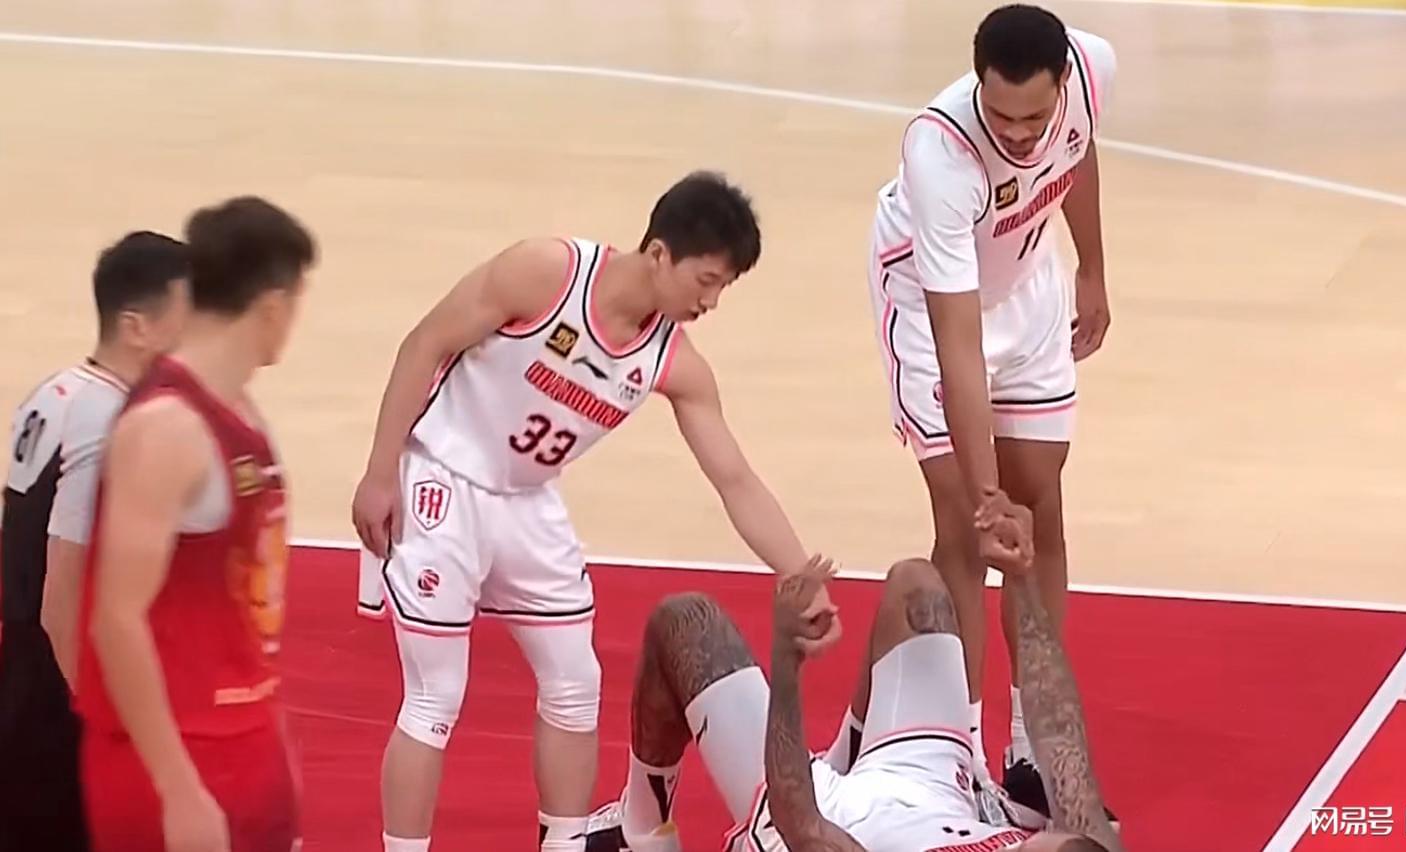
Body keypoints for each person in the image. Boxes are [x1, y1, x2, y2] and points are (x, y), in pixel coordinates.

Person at [350, 170, 839, 852]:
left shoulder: (674, 362)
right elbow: (425, 343)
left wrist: (799, 574)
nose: (711, 301)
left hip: (528, 500)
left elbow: (735, 479)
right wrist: (380, 471)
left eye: (724, 287)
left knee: (576, 685)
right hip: (444, 477)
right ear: (660, 253)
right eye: (707, 280)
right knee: (437, 696)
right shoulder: (545, 274)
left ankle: (565, 845)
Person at [862, 2, 1119, 814]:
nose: (1017, 134)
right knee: (966, 527)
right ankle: (961, 762)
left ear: (1063, 81)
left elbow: (1078, 150)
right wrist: (983, 494)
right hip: (932, 306)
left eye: (1033, 117)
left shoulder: (1093, 68)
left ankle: (1033, 747)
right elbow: (959, 348)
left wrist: (1092, 269)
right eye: (1000, 116)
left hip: (1028, 279)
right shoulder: (940, 155)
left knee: (1040, 509)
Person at [595, 490, 1122, 851]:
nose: (1035, 838)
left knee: (686, 622)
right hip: (935, 791)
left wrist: (787, 660)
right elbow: (1061, 737)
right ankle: (854, 754)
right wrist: (1021, 578)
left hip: (819, 816)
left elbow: (802, 824)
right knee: (918, 588)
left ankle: (640, 833)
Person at [73, 197, 316, 852]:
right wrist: (177, 787)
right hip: (179, 755)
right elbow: (116, 619)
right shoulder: (167, 429)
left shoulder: (239, 409)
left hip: (242, 738)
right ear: (273, 306)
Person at [0, 231, 190, 852]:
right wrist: (103, 716)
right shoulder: (111, 420)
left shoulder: (53, 391)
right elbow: (62, 593)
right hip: (61, 699)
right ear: (137, 326)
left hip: (23, 676)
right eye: (185, 314)